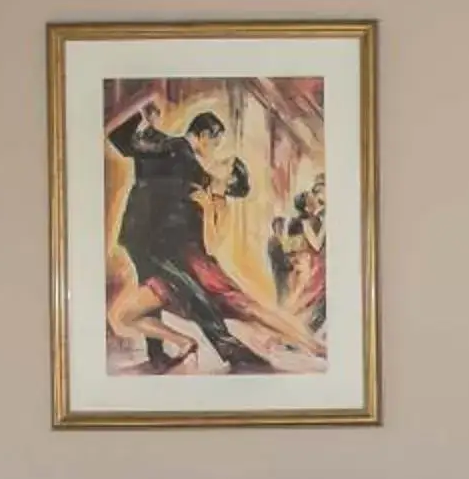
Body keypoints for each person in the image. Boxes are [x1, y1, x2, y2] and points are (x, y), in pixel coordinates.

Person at [103, 99, 319, 373]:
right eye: (215, 143)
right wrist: (147, 125)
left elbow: (121, 140)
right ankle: (224, 348)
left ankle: (171, 353)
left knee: (196, 296)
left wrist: (145, 124)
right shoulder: (181, 152)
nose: (215, 151)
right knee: (200, 298)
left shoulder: (176, 156)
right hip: (158, 243)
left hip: (154, 242)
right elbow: (128, 143)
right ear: (205, 136)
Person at [267, 174, 326, 330]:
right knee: (300, 298)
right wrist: (326, 227)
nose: (317, 204)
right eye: (314, 202)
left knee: (299, 297)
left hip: (302, 263)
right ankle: (285, 326)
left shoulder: (300, 221)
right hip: (305, 264)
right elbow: (317, 246)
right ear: (307, 208)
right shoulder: (306, 223)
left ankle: (285, 324)